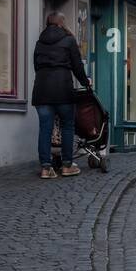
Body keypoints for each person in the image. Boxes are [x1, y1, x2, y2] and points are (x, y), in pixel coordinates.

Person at [32, 12, 92, 179]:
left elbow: (36, 66)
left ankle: (45, 167)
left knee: (45, 128)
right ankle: (67, 165)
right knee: (67, 126)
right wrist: (86, 82)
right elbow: (77, 66)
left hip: (42, 90)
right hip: (63, 89)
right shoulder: (69, 40)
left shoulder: (39, 43)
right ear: (62, 23)